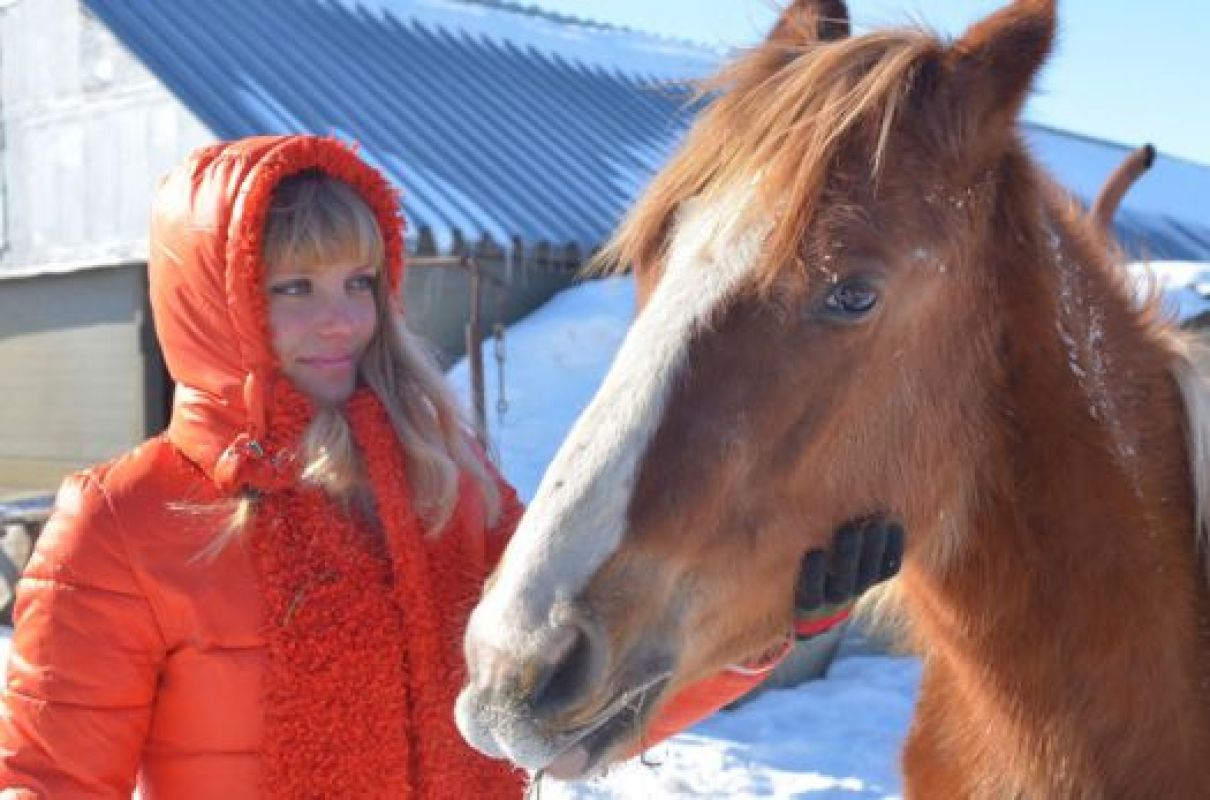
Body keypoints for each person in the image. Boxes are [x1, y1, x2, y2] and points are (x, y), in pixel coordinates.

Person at [0, 135, 897, 798]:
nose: (340, 322)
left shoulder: (445, 488)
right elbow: (50, 785)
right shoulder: (126, 521)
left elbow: (580, 688)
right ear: (215, 299)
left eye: (359, 283)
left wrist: (784, 627)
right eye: (291, 288)